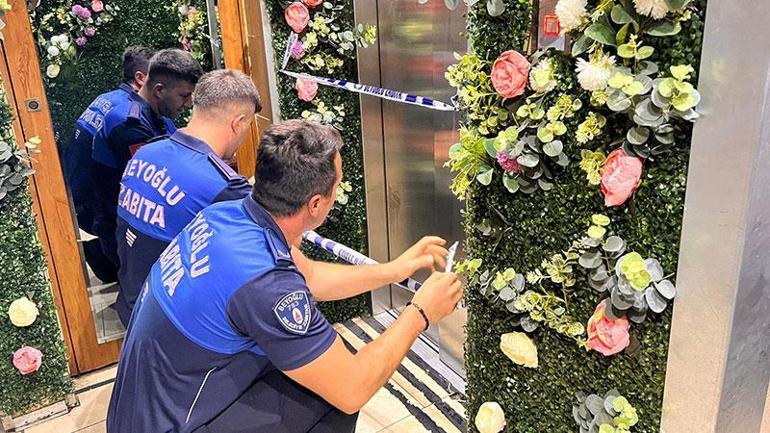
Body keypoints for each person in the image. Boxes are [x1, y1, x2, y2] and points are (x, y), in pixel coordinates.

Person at [106, 120, 463, 433]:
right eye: (336, 186)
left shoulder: (227, 214)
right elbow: (353, 389)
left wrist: (392, 270)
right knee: (332, 400)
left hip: (143, 407)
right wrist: (420, 313)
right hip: (169, 423)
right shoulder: (266, 285)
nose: (337, 193)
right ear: (316, 204)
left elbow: (309, 277)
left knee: (316, 365)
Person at [113, 69, 261, 326]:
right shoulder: (223, 186)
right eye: (248, 125)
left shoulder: (146, 153)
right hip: (176, 325)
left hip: (133, 306)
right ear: (238, 123)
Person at [91, 48, 203, 268]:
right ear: (159, 90)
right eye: (184, 95)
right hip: (126, 233)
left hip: (140, 225)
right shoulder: (128, 124)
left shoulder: (157, 114)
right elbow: (156, 183)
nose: (189, 104)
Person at [60, 46, 155, 283]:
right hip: (100, 205)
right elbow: (144, 171)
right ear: (140, 78)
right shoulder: (129, 115)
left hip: (81, 196)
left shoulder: (106, 99)